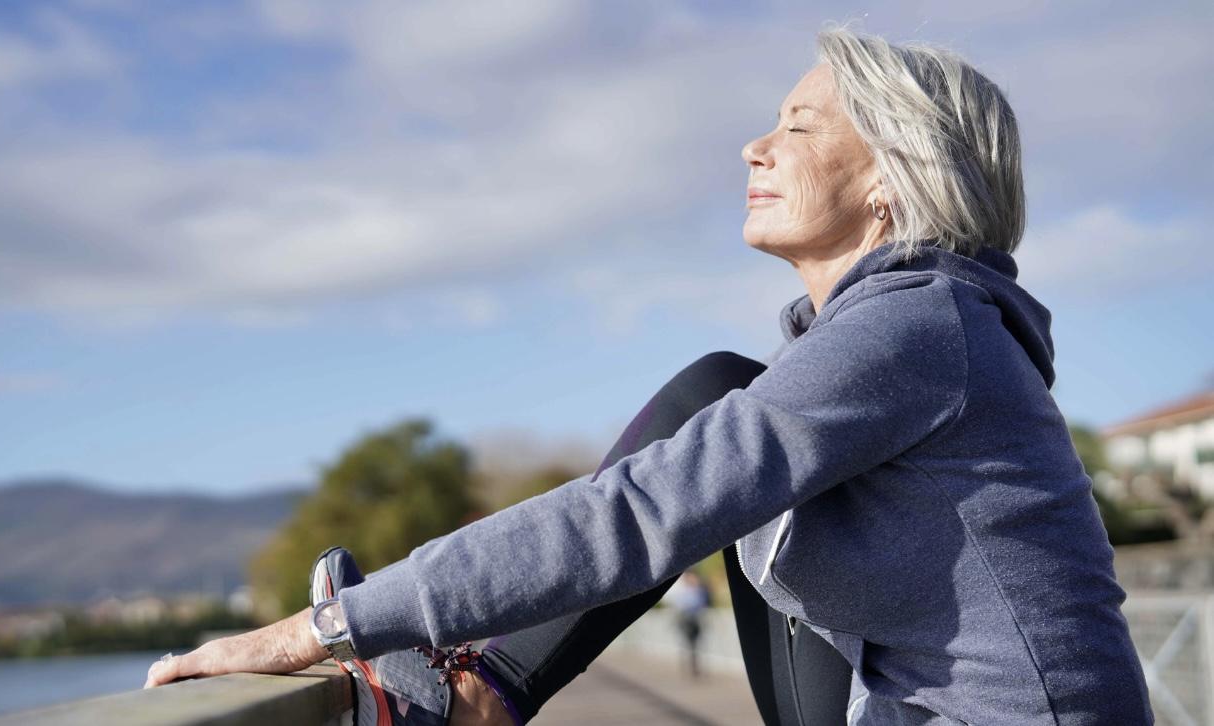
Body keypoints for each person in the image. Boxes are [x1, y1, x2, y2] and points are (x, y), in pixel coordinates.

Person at [146, 26, 1154, 725]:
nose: (755, 145)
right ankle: (481, 688)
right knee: (722, 391)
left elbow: (636, 513)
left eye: (801, 126)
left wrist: (320, 631)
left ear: (893, 174)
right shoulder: (893, 335)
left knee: (712, 420)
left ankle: (478, 694)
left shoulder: (922, 322)